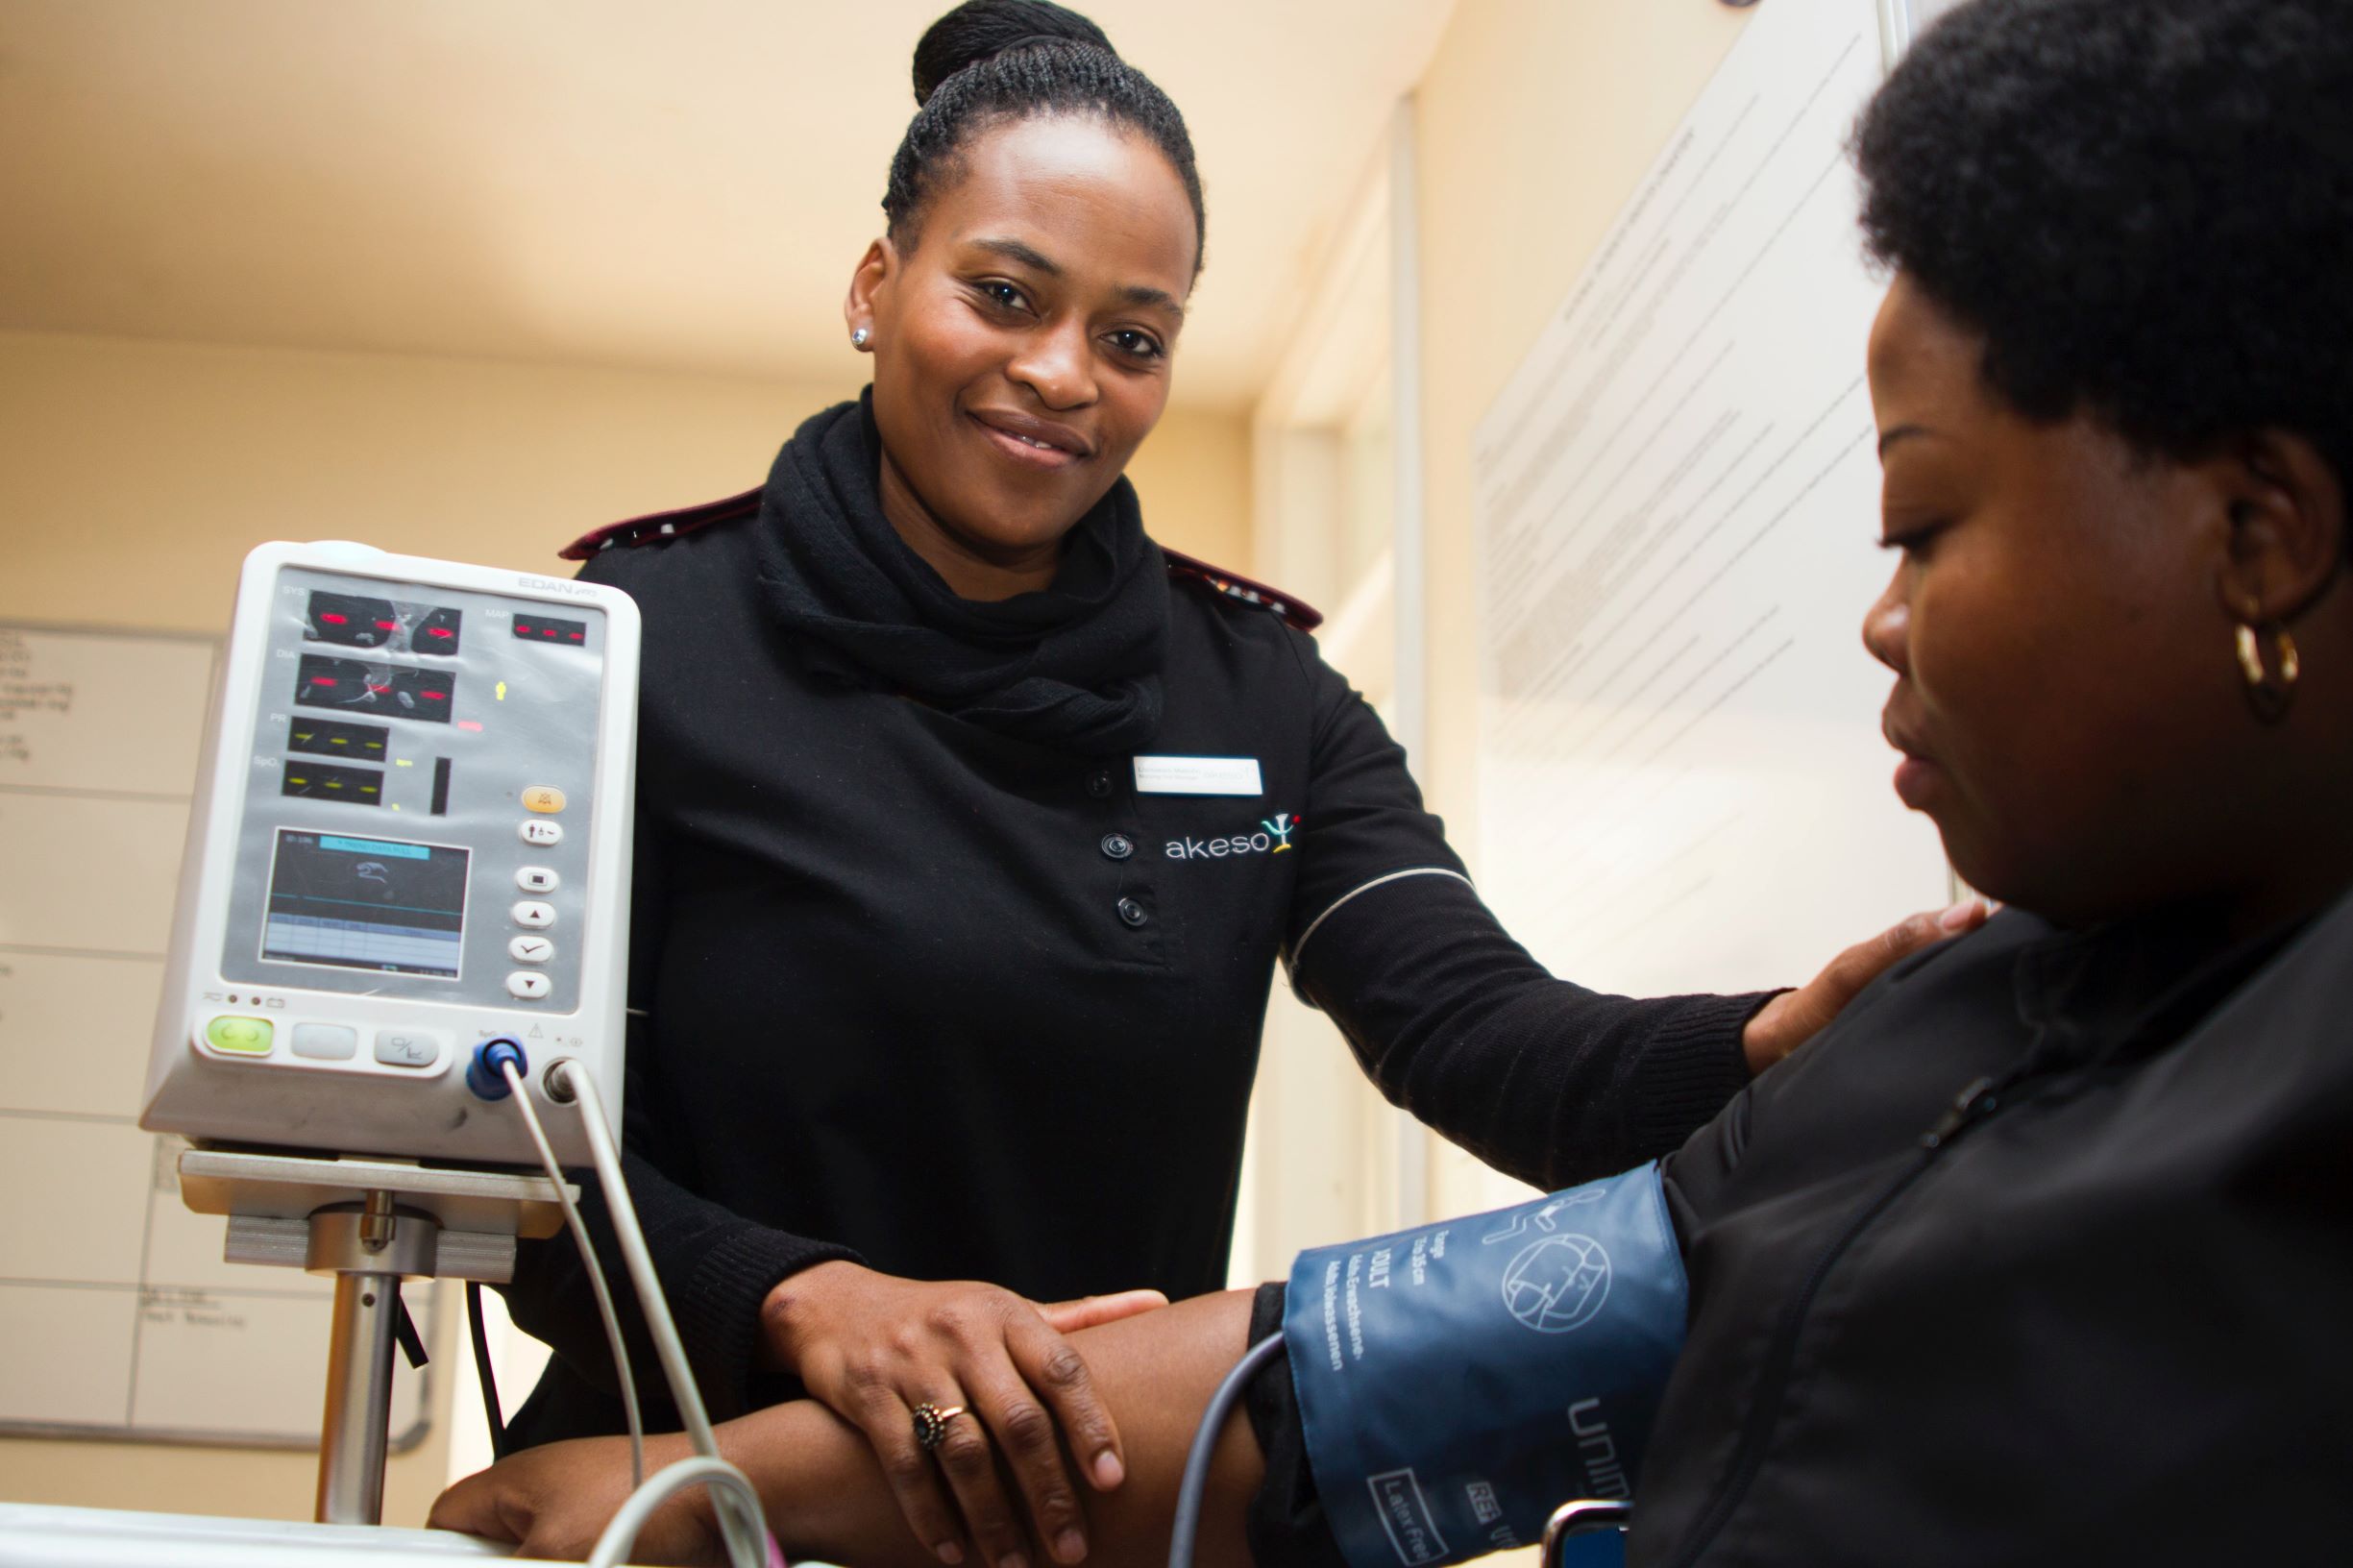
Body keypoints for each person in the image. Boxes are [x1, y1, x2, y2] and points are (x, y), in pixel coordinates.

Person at [437, 0, 2353, 1561]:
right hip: (659, 1455)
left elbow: (1480, 1034)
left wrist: (1761, 1053)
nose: (1058, 376)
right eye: (1003, 298)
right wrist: (806, 1300)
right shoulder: (636, 644)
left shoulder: (1254, 695)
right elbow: (517, 1148)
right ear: (877, 282)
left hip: (1071, 1504)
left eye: (1132, 336)